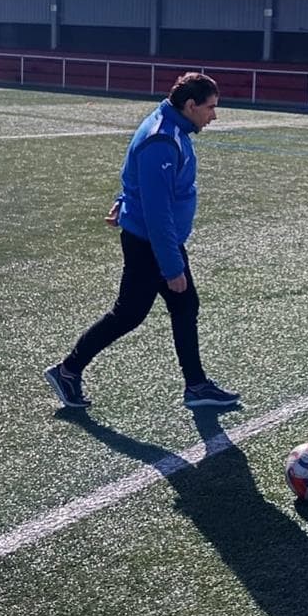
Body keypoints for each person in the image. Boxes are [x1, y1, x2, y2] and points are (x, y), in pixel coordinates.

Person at [45, 72, 241, 412]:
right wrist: (172, 266)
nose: (214, 115)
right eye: (210, 107)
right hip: (152, 244)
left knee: (184, 307)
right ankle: (68, 370)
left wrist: (123, 200)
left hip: (158, 241)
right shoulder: (162, 139)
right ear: (190, 105)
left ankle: (196, 385)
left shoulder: (170, 126)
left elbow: (138, 178)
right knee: (129, 314)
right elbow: (157, 210)